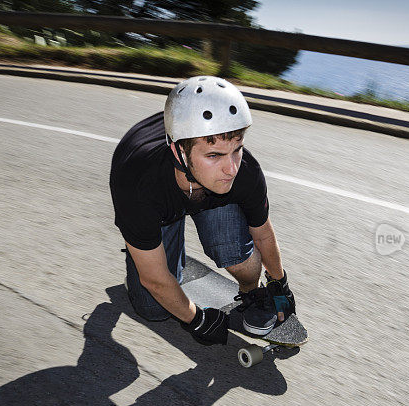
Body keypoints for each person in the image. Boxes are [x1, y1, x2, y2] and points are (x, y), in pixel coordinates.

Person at [109, 76, 295, 346]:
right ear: (179, 152)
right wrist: (196, 319)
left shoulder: (242, 171)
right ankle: (146, 248)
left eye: (237, 149)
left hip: (206, 193)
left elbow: (263, 234)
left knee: (237, 254)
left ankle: (250, 292)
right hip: (160, 202)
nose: (231, 168)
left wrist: (279, 282)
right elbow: (155, 280)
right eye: (214, 155)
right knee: (153, 306)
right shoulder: (139, 185)